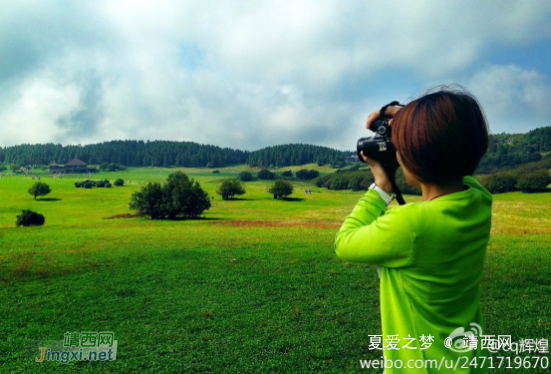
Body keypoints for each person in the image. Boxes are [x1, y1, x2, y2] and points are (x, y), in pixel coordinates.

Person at [334, 87, 492, 373]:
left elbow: (344, 242)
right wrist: (413, 121)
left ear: (415, 154)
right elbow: (456, 146)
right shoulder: (479, 201)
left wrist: (381, 187)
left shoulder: (410, 225)